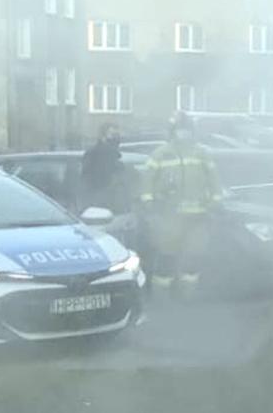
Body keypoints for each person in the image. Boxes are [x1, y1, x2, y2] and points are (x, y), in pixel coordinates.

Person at [136, 113, 222, 299]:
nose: (184, 134)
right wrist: (150, 203)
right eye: (180, 130)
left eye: (187, 130)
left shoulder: (202, 153)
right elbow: (147, 182)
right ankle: (161, 297)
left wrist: (214, 202)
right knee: (167, 257)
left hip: (199, 216)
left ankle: (187, 297)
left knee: (193, 257)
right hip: (169, 216)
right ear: (173, 132)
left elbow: (214, 181)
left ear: (192, 132)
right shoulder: (161, 153)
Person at [80, 123, 126, 213]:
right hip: (100, 201)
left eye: (117, 135)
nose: (116, 138)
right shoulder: (95, 154)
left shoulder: (114, 156)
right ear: (103, 136)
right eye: (113, 135)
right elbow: (87, 178)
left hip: (114, 201)